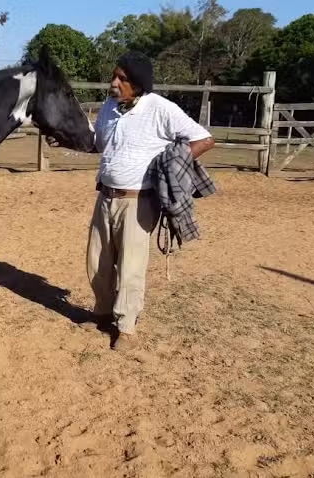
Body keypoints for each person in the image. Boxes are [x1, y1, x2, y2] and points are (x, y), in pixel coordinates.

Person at [87, 51, 215, 351]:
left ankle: (127, 327)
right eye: (114, 76)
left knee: (131, 265)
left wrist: (174, 163)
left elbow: (204, 138)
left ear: (139, 84)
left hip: (138, 200)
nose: (114, 82)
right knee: (97, 261)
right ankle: (103, 312)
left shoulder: (160, 108)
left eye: (122, 78)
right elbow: (98, 143)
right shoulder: (109, 106)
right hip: (105, 196)